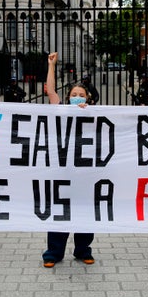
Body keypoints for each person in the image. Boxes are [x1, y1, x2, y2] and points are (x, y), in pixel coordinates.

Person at [41, 52, 95, 268]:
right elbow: (51, 90)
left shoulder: (94, 113)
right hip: (62, 169)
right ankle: (53, 253)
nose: (77, 97)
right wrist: (51, 65)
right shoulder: (60, 108)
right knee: (59, 209)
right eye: (74, 94)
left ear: (88, 98)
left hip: (85, 170)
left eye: (81, 94)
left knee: (84, 209)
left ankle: (83, 250)